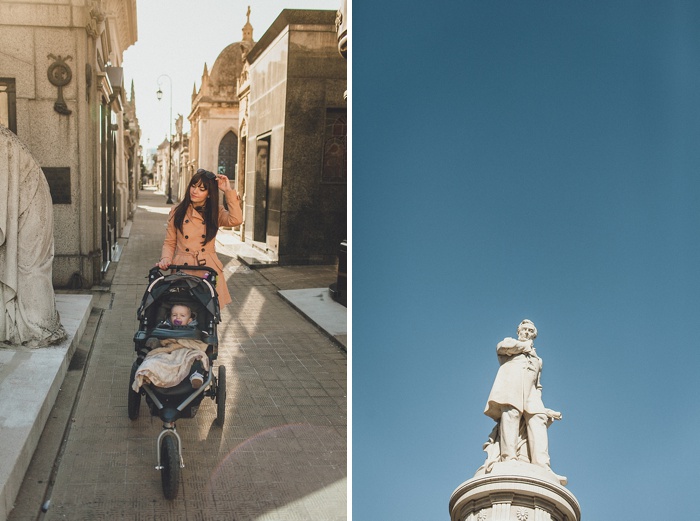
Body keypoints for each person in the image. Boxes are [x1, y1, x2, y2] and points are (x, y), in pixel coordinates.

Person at [483, 319, 565, 483]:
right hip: (512, 388)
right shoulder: (510, 343)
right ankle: (509, 458)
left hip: (531, 394)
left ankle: (543, 466)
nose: (527, 332)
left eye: (530, 331)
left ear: (534, 335)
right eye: (524, 329)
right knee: (511, 415)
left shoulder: (538, 360)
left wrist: (544, 408)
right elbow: (501, 348)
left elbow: (537, 384)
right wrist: (525, 346)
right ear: (519, 331)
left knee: (539, 419)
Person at [156, 169, 243, 307]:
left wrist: (228, 191)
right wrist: (166, 258)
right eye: (193, 186)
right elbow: (170, 242)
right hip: (182, 268)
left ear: (209, 194)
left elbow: (236, 220)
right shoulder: (177, 211)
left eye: (202, 189)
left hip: (207, 268)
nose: (195, 191)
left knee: (207, 316)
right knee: (182, 313)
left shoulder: (216, 212)